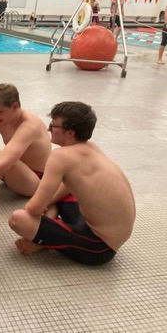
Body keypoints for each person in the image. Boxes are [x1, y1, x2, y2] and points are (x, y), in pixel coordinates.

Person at [8, 101, 136, 266]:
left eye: (53, 125)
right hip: (105, 231)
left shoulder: (60, 156)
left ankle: (44, 240)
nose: (48, 129)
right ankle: (50, 236)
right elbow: (68, 186)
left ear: (69, 133)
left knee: (18, 219)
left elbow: (33, 208)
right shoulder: (91, 148)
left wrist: (41, 210)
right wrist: (49, 202)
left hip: (99, 247)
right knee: (55, 196)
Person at [0, 83, 51, 197]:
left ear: (15, 107)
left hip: (34, 179)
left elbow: (2, 163)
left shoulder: (30, 126)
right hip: (14, 168)